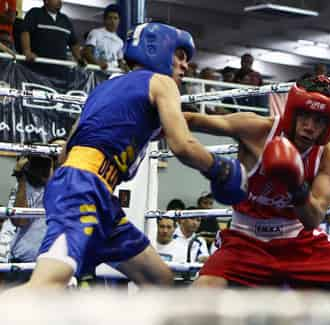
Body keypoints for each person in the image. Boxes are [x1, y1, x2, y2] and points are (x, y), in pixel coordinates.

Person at [5, 22, 247, 292]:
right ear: (160, 49)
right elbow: (182, 144)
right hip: (83, 189)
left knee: (159, 279)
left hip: (94, 194)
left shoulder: (107, 88)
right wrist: (219, 168)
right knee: (47, 284)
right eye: (180, 55)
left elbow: (64, 153)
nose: (185, 65)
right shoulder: (162, 83)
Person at [185, 75, 330, 294]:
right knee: (199, 295)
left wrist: (296, 185)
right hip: (244, 240)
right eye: (305, 116)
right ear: (293, 112)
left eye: (319, 120)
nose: (310, 127)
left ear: (328, 125)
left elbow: (313, 218)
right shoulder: (258, 130)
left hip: (298, 242)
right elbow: (192, 120)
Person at [82, 4, 128, 72]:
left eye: (115, 18)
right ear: (104, 20)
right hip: (96, 74)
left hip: (112, 76)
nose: (113, 21)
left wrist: (124, 66)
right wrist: (98, 63)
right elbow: (86, 53)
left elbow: (120, 60)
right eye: (110, 18)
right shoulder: (95, 33)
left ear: (119, 21)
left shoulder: (120, 41)